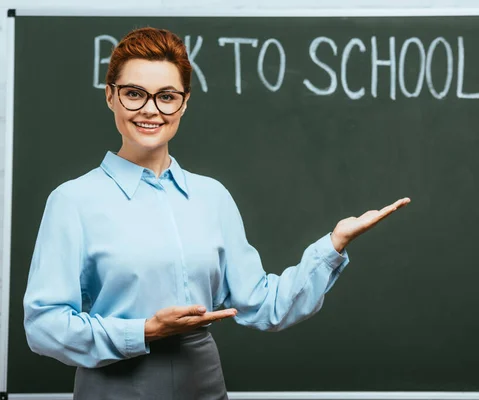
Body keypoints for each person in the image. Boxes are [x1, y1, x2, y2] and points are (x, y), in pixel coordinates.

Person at [22, 27, 410, 399]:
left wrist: (333, 244)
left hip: (202, 386)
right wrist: (144, 331)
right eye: (134, 94)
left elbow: (263, 305)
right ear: (110, 96)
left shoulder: (212, 197)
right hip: (115, 389)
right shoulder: (73, 201)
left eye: (167, 96)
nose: (150, 110)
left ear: (184, 102)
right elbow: (44, 326)